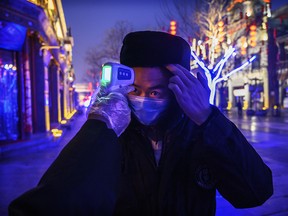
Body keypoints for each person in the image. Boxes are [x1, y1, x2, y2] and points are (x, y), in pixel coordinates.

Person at [9, 31, 273, 216]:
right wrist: (100, 125)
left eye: (156, 92)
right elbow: (56, 202)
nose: (143, 99)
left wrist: (208, 117)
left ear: (178, 90)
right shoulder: (113, 135)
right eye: (135, 89)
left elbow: (255, 192)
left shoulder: (202, 134)